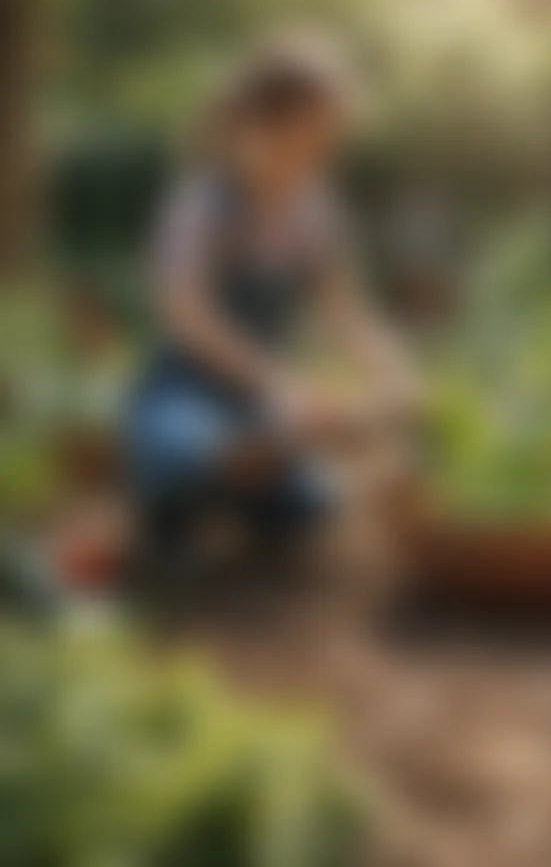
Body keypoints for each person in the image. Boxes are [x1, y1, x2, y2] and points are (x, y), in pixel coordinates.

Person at [127, 33, 418, 585]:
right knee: (183, 449)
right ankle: (171, 518)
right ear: (254, 126)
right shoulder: (200, 206)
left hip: (259, 402)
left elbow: (345, 309)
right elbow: (187, 316)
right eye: (306, 139)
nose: (317, 158)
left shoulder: (314, 211)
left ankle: (243, 499)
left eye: (327, 144)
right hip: (188, 386)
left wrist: (392, 371)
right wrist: (277, 381)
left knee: (311, 500)